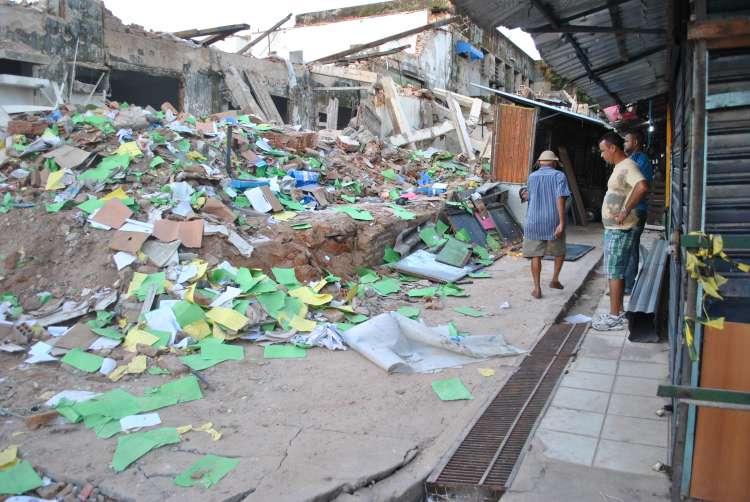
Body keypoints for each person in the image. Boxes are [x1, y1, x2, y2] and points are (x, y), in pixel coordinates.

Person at [593, 132, 649, 331]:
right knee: (615, 270)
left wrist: (625, 210)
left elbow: (642, 186)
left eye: (602, 151)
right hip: (616, 228)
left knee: (615, 271)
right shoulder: (620, 167)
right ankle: (617, 311)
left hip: (621, 229)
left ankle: (614, 317)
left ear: (612, 148)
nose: (602, 155)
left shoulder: (628, 166)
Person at [520, 150, 571, 299]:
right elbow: (560, 198)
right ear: (554, 163)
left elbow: (528, 196)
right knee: (559, 251)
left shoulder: (532, 177)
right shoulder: (559, 176)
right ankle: (554, 280)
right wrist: (561, 222)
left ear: (540, 163)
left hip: (533, 220)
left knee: (536, 255)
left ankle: (537, 288)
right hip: (552, 220)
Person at [623, 130, 653, 294]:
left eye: (627, 140)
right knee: (625, 247)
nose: (624, 143)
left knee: (631, 247)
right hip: (629, 210)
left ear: (635, 142)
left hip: (635, 210)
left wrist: (626, 208)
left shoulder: (641, 160)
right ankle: (623, 284)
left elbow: (640, 187)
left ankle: (628, 285)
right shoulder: (631, 160)